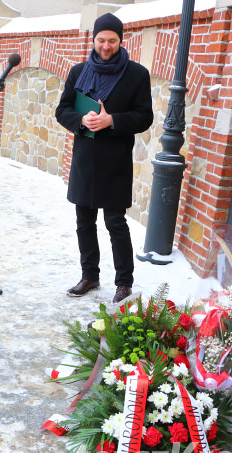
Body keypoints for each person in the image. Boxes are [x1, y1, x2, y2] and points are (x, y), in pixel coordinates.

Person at [55, 13, 153, 303]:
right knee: (84, 221)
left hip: (115, 159)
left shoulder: (136, 74)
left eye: (112, 40)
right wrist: (81, 120)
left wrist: (112, 120)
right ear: (94, 40)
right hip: (85, 158)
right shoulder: (78, 72)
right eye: (101, 40)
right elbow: (62, 111)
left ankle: (124, 282)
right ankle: (89, 276)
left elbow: (144, 117)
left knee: (115, 222)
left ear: (121, 41)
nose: (106, 46)